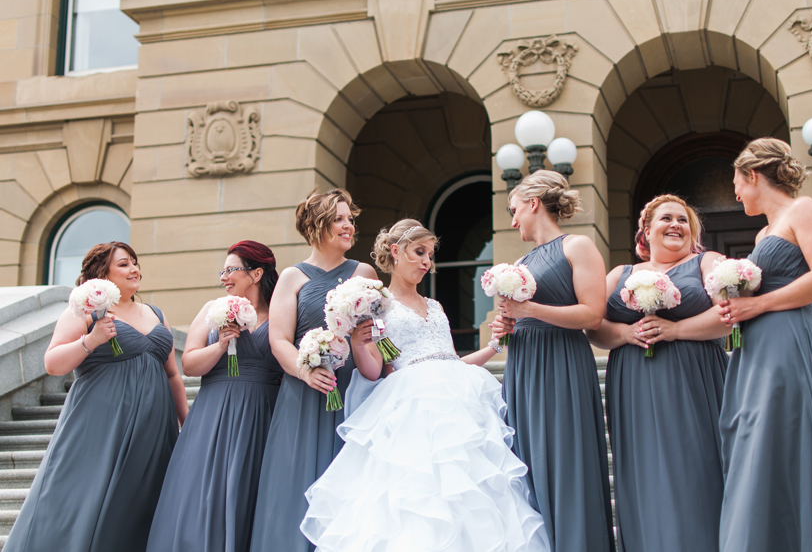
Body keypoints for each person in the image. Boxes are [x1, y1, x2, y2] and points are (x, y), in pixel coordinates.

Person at [301, 219, 550, 551]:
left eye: (430, 255)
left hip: (458, 403)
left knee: (469, 490)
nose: (426, 262)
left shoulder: (435, 307)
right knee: (418, 496)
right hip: (409, 407)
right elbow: (376, 370)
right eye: (419, 252)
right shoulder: (376, 306)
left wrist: (493, 347)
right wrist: (360, 344)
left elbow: (449, 362)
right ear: (395, 251)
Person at [717, 138, 812, 552]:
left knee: (783, 440)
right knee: (758, 448)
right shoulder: (764, 231)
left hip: (787, 344)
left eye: (738, 186)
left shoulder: (803, 209)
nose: (737, 195)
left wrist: (757, 303)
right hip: (756, 349)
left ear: (752, 175)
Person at [5, 242, 188, 552]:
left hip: (154, 428)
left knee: (139, 504)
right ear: (102, 274)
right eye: (124, 264)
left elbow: (172, 374)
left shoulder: (156, 313)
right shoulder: (84, 308)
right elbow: (52, 362)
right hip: (100, 423)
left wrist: (188, 424)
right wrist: (91, 340)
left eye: (135, 262)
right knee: (84, 499)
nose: (134, 269)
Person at [587, 194, 730, 552]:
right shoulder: (620, 274)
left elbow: (728, 315)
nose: (676, 225)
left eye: (684, 221)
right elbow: (593, 324)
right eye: (667, 218)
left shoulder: (706, 263)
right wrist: (624, 333)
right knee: (644, 474)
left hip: (694, 380)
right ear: (646, 230)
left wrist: (675, 330)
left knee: (695, 471)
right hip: (632, 383)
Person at [493, 170, 615, 552]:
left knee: (565, 460)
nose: (513, 221)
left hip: (561, 363)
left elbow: (592, 315)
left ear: (533, 204)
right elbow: (527, 314)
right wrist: (508, 324)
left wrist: (529, 309)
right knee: (527, 462)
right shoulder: (522, 261)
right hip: (524, 367)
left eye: (514, 210)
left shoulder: (577, 246)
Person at [249, 188, 377, 552]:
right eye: (339, 219)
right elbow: (278, 340)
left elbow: (379, 335)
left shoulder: (363, 272)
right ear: (318, 224)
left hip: (354, 390)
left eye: (350, 219)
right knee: (297, 478)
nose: (349, 225)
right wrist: (304, 371)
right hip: (303, 394)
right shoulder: (292, 277)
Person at [146, 241, 282, 552]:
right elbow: (189, 364)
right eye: (223, 271)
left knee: (249, 492)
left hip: (262, 414)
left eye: (231, 270)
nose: (224, 278)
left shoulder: (280, 312)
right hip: (214, 413)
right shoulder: (212, 309)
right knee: (202, 493)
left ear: (257, 273)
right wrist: (221, 344)